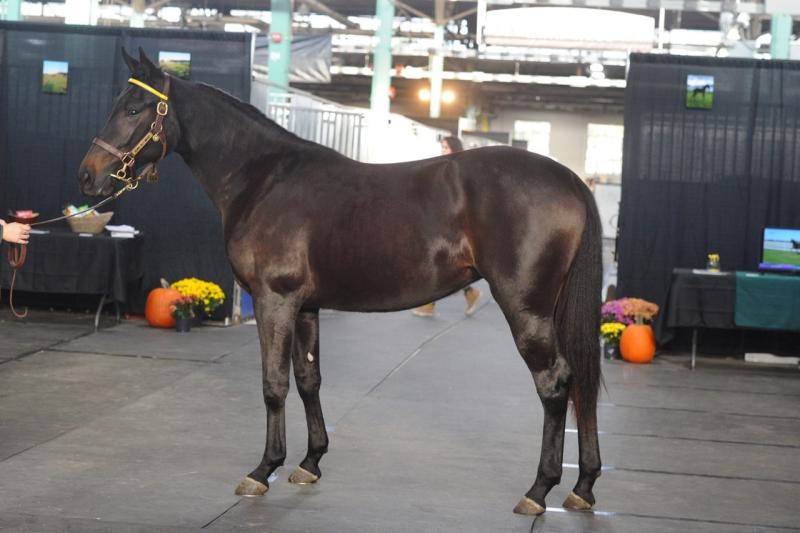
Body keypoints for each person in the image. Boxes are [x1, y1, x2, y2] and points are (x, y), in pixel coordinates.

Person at [412, 136, 482, 318]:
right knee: (446, 264)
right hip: (447, 222)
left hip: (449, 223)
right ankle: (469, 294)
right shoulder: (451, 166)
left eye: (446, 147)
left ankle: (429, 304)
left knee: (437, 262)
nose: (443, 150)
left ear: (454, 148)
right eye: (442, 147)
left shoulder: (454, 168)